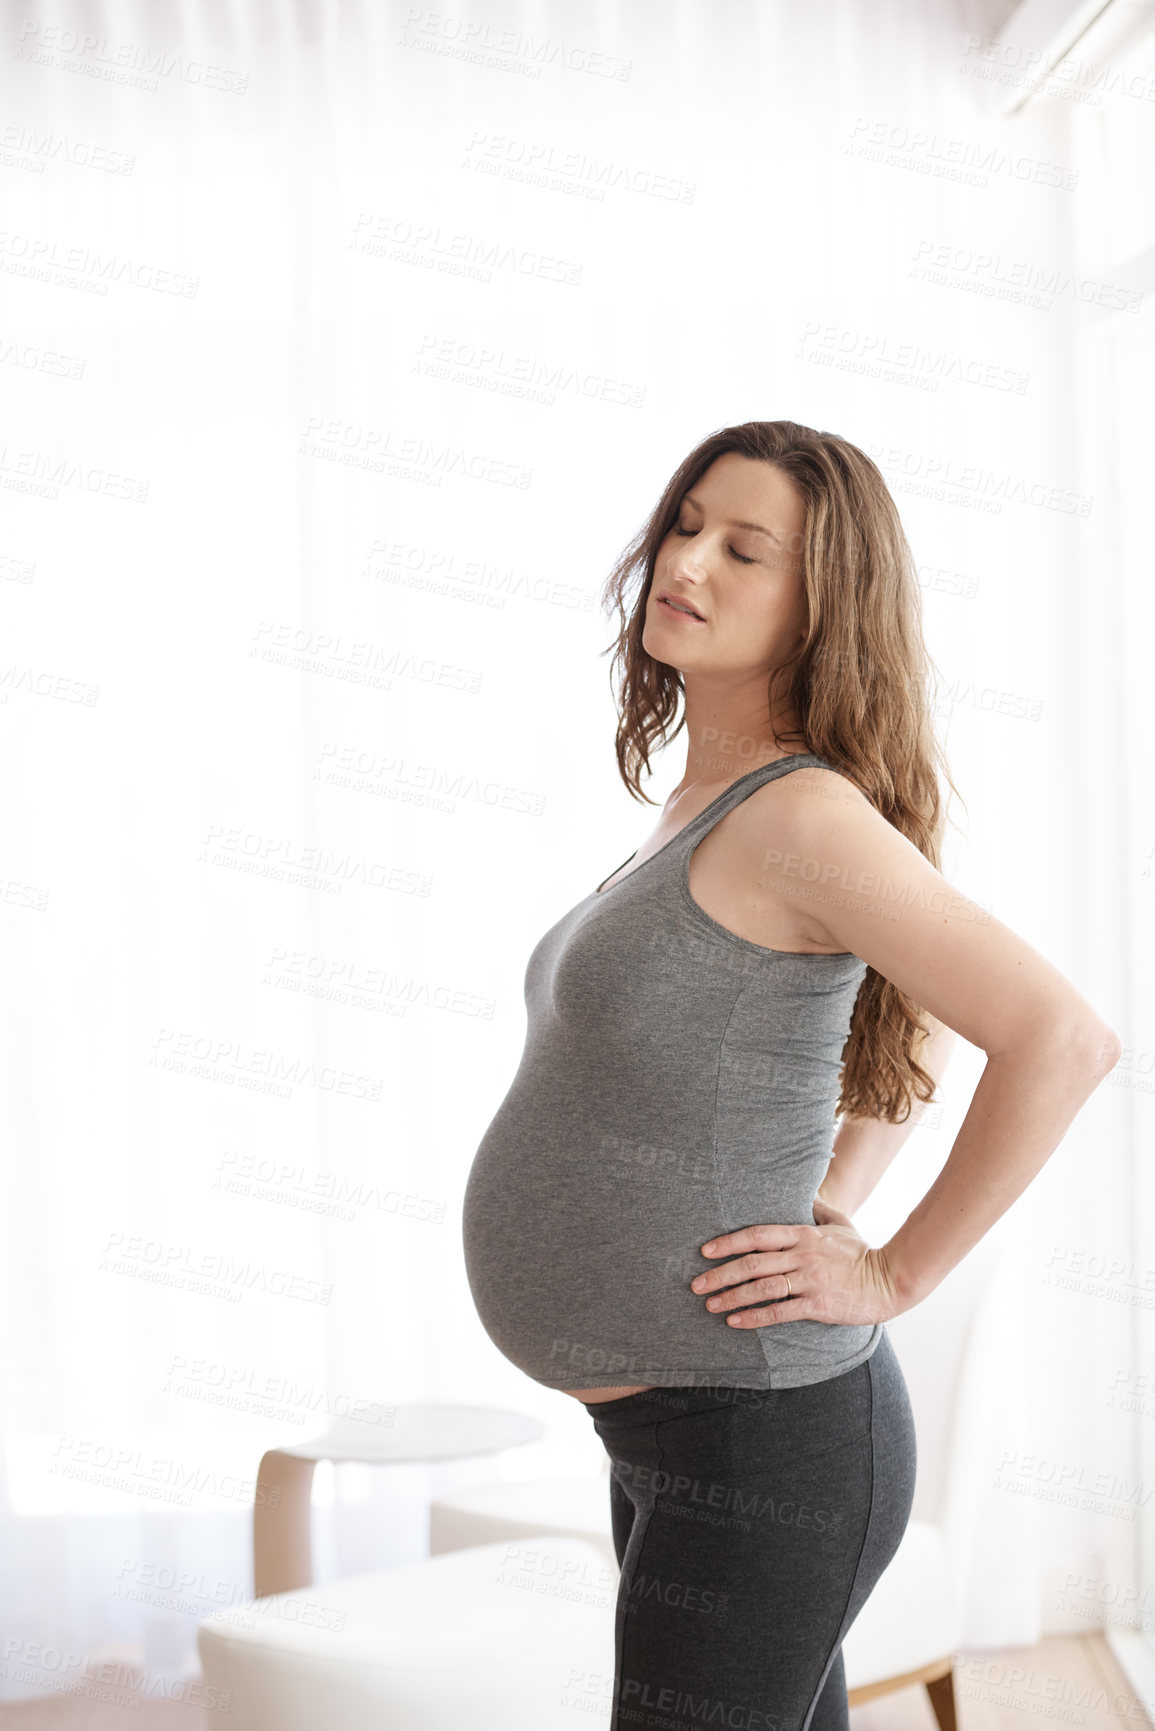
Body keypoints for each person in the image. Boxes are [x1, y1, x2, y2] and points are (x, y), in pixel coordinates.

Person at [461, 419, 1121, 1731]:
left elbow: (1061, 1036)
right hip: (673, 1431)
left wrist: (889, 1269)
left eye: (742, 549)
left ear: (823, 607)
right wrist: (841, 1181)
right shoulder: (713, 807)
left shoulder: (798, 818)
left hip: (761, 1441)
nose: (684, 560)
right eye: (685, 522)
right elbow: (910, 1017)